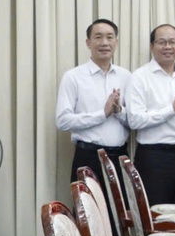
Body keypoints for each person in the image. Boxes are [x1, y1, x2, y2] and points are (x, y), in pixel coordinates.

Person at [125, 24, 175, 209]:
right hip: (153, 158)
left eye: (172, 42)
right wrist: (172, 109)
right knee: (155, 215)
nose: (167, 47)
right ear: (152, 46)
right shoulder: (139, 77)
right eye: (162, 42)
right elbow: (135, 120)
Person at [56, 19, 132, 192]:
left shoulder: (126, 76)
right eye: (98, 37)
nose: (104, 43)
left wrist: (119, 111)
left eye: (109, 37)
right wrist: (102, 114)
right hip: (88, 157)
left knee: (121, 209)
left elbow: (135, 121)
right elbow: (62, 121)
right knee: (87, 208)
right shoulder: (73, 77)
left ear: (116, 42)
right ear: (88, 42)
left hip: (120, 157)